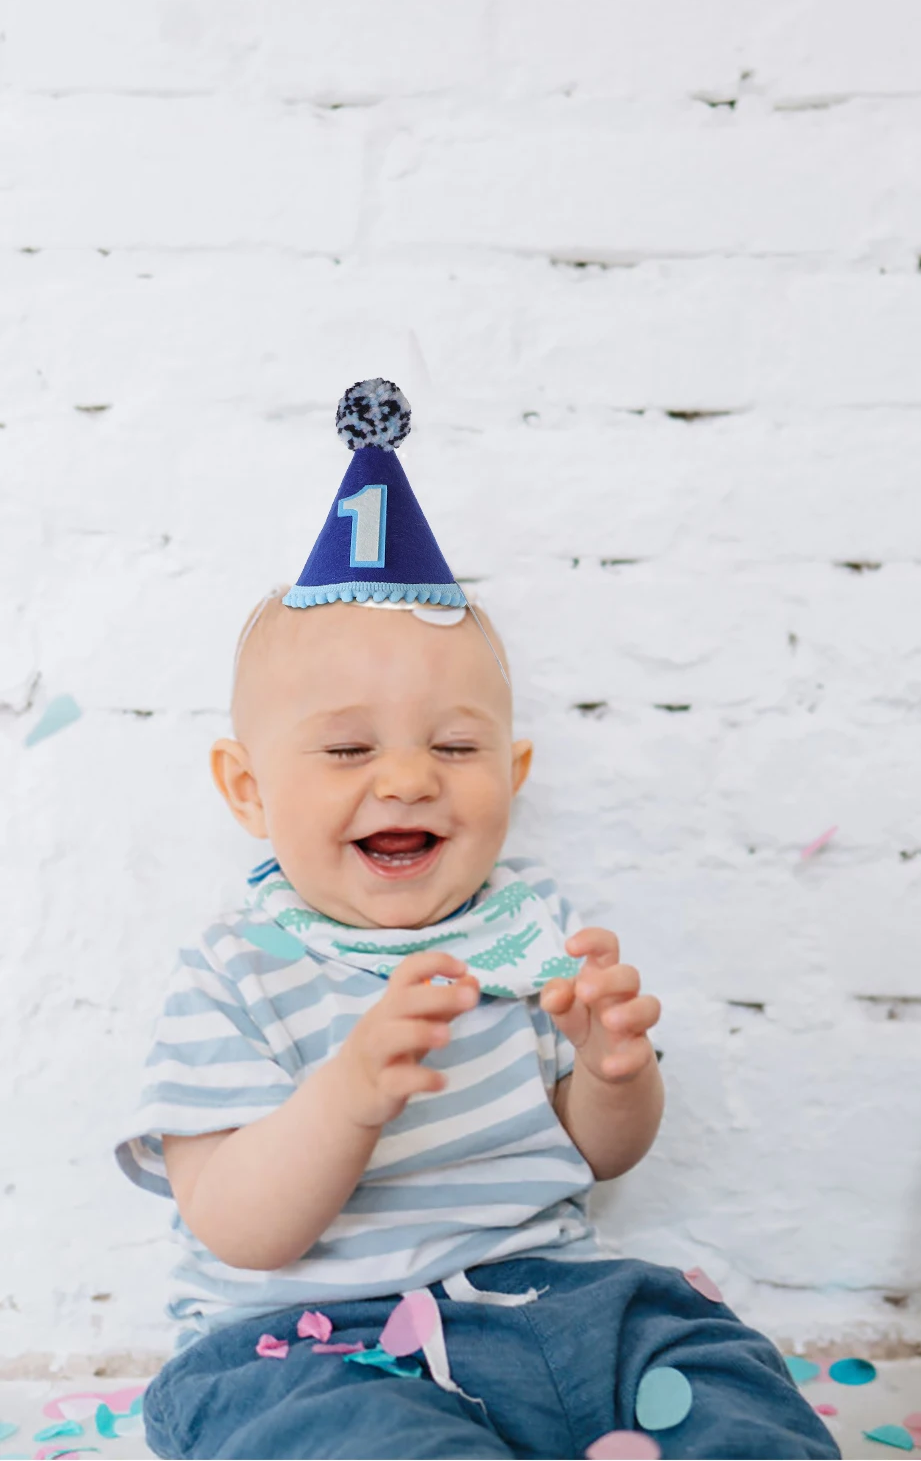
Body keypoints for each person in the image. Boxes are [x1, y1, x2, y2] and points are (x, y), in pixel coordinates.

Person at [117, 382, 837, 1460]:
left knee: (717, 1372)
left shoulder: (529, 934)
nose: (406, 779)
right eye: (349, 750)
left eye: (453, 748)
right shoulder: (238, 971)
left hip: (555, 1304)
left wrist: (611, 1076)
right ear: (248, 789)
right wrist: (348, 1095)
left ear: (512, 771)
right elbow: (238, 1225)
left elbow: (594, 1157)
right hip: (310, 1350)